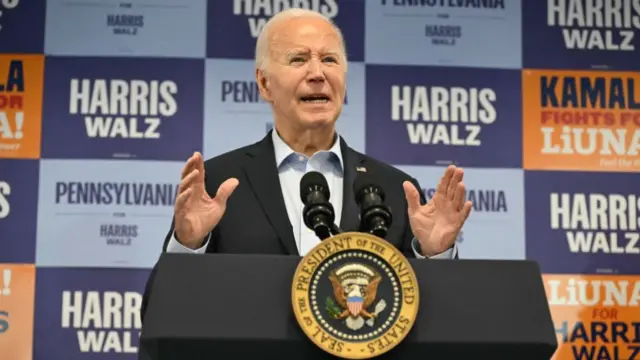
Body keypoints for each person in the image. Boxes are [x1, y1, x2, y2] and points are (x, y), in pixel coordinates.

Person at [141, 8, 472, 321]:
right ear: (264, 83)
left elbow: (437, 321)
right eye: (298, 59)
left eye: (329, 59)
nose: (317, 73)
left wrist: (435, 256)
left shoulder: (395, 190)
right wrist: (188, 247)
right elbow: (157, 314)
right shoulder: (220, 184)